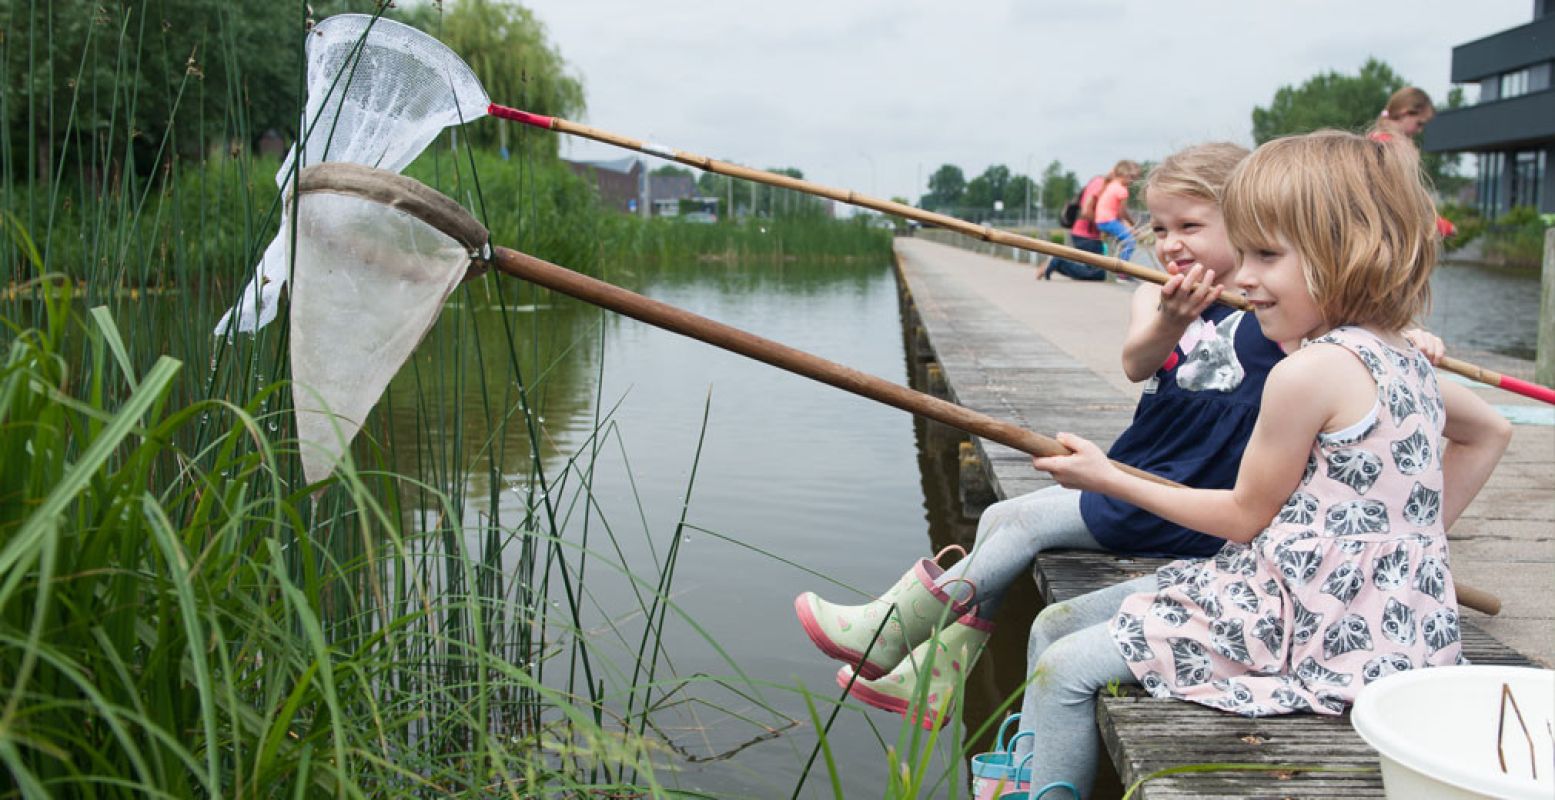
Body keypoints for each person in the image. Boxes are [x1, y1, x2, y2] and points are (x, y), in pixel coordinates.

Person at [1006, 130, 1511, 798]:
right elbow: (1489, 432)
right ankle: (1030, 773)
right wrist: (1401, 548)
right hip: (1393, 623)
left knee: (1065, 666)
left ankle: (1032, 784)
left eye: (1266, 255)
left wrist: (1108, 477)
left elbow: (1244, 516)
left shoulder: (1308, 371)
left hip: (1306, 628)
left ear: (1348, 252)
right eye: (1242, 252)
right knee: (1052, 619)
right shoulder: (1403, 354)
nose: (1242, 278)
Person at [794, 142, 1285, 727]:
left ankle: (891, 632)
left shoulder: (1275, 309)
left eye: (1191, 225)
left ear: (1247, 223)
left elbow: (1358, 330)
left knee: (1022, 523)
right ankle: (932, 676)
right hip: (1138, 475)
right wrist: (1173, 320)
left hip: (1187, 499)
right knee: (1000, 518)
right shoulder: (1153, 294)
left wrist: (1418, 341)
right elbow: (1136, 362)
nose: (1171, 242)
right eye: (1159, 227)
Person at [1369, 87, 1456, 239]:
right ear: (1406, 112)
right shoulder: (1392, 147)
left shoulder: (1373, 139)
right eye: (1419, 123)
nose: (1420, 130)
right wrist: (1438, 225)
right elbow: (1403, 198)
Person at [1042, 174, 1109, 281]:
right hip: (1088, 235)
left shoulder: (1096, 182)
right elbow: (1086, 211)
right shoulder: (1100, 183)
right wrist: (1103, 225)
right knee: (1098, 273)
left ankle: (1057, 263)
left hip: (1084, 233)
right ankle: (1058, 262)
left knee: (1096, 271)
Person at [1093, 160, 1141, 266]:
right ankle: (1122, 271)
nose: (1132, 181)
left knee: (1123, 238)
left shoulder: (1111, 184)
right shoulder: (1122, 190)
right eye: (1131, 177)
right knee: (1130, 241)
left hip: (1100, 221)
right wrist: (1133, 224)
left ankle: (1115, 265)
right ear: (1125, 175)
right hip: (1108, 221)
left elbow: (1118, 215)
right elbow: (1122, 213)